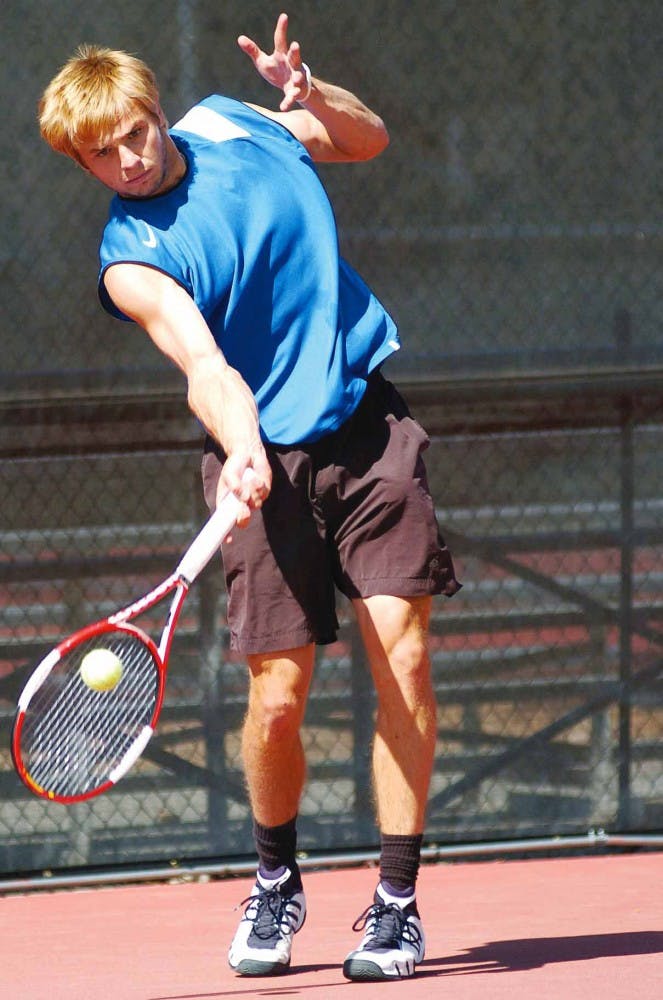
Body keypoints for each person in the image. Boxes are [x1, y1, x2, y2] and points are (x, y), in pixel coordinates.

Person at [38, 11, 460, 982]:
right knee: (278, 700)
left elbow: (367, 139)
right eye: (101, 155)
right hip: (257, 462)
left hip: (366, 424)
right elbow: (201, 361)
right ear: (85, 166)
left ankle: (396, 903)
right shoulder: (133, 258)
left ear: (156, 110)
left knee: (404, 653)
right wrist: (241, 444)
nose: (128, 160)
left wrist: (309, 96)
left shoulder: (233, 120)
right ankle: (277, 880)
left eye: (134, 133)